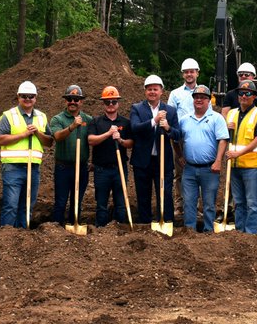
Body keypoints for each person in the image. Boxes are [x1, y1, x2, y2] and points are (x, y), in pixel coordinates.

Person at [0, 80, 52, 228]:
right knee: (11, 206)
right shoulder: (8, 115)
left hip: (33, 168)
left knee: (27, 206)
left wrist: (37, 132)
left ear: (36, 98)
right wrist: (24, 134)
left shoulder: (41, 117)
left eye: (31, 96)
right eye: (24, 96)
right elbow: (0, 139)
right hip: (13, 168)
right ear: (18, 97)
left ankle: (23, 238)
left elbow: (49, 142)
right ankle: (6, 237)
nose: (27, 99)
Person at [129, 74, 181, 225]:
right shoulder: (137, 108)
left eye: (155, 89)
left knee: (165, 193)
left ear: (161, 91)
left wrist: (168, 127)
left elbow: (178, 134)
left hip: (163, 161)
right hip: (142, 161)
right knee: (143, 194)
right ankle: (145, 224)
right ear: (145, 91)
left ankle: (166, 222)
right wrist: (154, 121)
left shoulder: (170, 111)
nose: (152, 92)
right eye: (149, 89)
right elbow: (135, 128)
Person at [179, 85, 229, 232]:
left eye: (203, 97)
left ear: (209, 100)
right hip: (189, 169)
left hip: (210, 168)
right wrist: (180, 156)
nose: (199, 100)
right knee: (188, 202)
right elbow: (176, 139)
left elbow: (223, 140)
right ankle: (189, 231)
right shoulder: (184, 120)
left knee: (208, 203)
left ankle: (208, 231)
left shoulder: (217, 119)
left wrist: (218, 161)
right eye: (196, 97)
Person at [224, 79, 257, 234]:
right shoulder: (231, 114)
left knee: (252, 203)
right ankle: (239, 232)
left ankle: (250, 234)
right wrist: (226, 128)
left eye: (247, 93)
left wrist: (239, 153)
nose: (243, 96)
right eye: (241, 93)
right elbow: (225, 137)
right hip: (235, 166)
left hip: (251, 166)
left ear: (254, 96)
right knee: (238, 202)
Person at [88, 86, 134, 227]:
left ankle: (120, 230)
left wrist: (120, 140)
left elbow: (131, 143)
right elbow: (91, 140)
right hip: (101, 169)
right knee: (101, 204)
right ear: (103, 104)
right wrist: (108, 134)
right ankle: (100, 231)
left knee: (120, 203)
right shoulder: (96, 122)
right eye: (107, 102)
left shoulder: (125, 122)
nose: (111, 105)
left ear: (118, 103)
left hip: (119, 169)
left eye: (113, 101)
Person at [48, 84, 91, 226]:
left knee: (77, 200)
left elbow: (94, 139)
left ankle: (74, 227)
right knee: (61, 201)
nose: (73, 102)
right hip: (63, 168)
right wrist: (72, 126)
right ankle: (57, 230)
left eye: (76, 99)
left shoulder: (88, 119)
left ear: (81, 102)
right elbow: (57, 136)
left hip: (82, 168)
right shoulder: (57, 119)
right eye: (70, 99)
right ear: (65, 101)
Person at [167, 58, 201, 124]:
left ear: (197, 73)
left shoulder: (204, 94)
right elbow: (170, 116)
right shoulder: (175, 94)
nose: (189, 74)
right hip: (180, 132)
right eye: (186, 72)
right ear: (183, 74)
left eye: (191, 71)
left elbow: (209, 115)